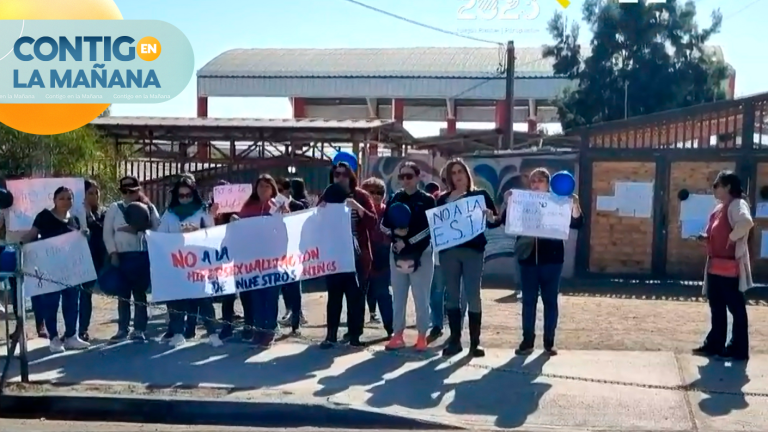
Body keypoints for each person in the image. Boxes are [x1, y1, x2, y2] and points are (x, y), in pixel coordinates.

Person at [502, 168, 583, 356]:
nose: (536, 184)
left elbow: (577, 223)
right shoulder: (523, 202)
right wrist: (508, 202)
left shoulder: (559, 202)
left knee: (550, 301)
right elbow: (506, 220)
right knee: (528, 301)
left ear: (548, 184)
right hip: (527, 258)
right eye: (533, 181)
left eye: (540, 180)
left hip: (552, 259)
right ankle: (527, 341)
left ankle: (549, 342)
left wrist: (575, 206)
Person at [436, 158, 500, 357]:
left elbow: (494, 222)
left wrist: (490, 216)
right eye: (453, 173)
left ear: (466, 174)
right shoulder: (443, 200)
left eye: (460, 172)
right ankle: (454, 340)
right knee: (452, 295)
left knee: (473, 294)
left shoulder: (480, 196)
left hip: (473, 251)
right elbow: (438, 225)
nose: (457, 176)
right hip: (449, 253)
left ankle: (475, 343)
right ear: (449, 177)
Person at [692, 170, 753, 361]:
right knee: (717, 307)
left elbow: (745, 222)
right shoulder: (719, 208)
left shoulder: (737, 204)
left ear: (727, 187)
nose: (714, 189)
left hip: (729, 267)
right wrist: (707, 238)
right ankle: (715, 344)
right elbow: (717, 232)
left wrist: (731, 238)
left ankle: (738, 348)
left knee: (736, 308)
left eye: (716, 185)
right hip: (715, 265)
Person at [21, 186, 90, 353]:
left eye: (69, 198)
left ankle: (71, 336)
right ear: (54, 200)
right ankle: (53, 338)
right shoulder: (44, 216)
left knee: (72, 302)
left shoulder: (75, 219)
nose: (66, 201)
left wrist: (84, 235)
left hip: (71, 269)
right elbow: (31, 235)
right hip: (49, 268)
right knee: (51, 303)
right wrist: (22, 247)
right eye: (62, 198)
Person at [158, 176, 222, 348]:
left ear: (194, 194)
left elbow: (212, 233)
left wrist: (198, 231)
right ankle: (178, 333)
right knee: (177, 299)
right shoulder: (169, 214)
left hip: (198, 264)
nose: (185, 198)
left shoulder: (203, 212)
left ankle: (212, 333)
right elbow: (160, 236)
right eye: (181, 195)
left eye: (188, 195)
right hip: (177, 263)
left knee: (204, 300)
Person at [318, 162, 376, 348]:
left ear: (351, 176)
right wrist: (320, 210)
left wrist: (358, 207)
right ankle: (331, 335)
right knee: (334, 297)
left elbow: (373, 222)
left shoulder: (361, 196)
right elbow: (314, 223)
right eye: (336, 174)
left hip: (357, 256)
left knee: (356, 298)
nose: (340, 177)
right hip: (334, 255)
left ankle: (354, 335)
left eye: (343, 174)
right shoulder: (327, 195)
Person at [381, 162, 435, 351]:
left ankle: (421, 336)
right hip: (397, 255)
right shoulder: (395, 197)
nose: (405, 180)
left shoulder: (428, 200)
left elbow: (430, 229)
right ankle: (397, 335)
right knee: (399, 296)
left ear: (418, 177)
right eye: (402, 176)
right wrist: (396, 234)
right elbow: (383, 224)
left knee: (421, 297)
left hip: (423, 255)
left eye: (409, 176)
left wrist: (409, 241)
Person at [103, 176, 160, 343]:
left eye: (132, 191)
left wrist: (137, 230)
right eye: (125, 191)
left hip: (141, 254)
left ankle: (139, 329)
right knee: (123, 294)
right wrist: (113, 253)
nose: (128, 194)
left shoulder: (148, 208)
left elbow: (157, 228)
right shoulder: (115, 208)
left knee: (140, 294)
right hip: (122, 255)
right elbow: (108, 233)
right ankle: (122, 328)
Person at [238, 174, 289, 347]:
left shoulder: (278, 206)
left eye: (267, 186)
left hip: (272, 260)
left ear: (273, 189)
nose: (263, 189)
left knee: (271, 296)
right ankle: (258, 331)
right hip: (253, 261)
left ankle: (270, 330)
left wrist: (285, 214)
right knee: (256, 297)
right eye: (260, 186)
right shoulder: (248, 207)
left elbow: (285, 228)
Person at [427, 177, 468, 340]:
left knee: (458, 296)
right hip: (440, 258)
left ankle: (456, 330)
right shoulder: (439, 200)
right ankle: (437, 324)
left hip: (462, 257)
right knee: (436, 294)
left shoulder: (468, 202)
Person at [360, 177, 393, 336]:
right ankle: (355, 331)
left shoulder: (388, 211)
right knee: (358, 296)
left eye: (380, 192)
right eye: (371, 192)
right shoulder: (356, 210)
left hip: (381, 259)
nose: (376, 195)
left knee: (383, 293)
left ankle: (390, 329)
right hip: (362, 259)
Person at [277, 178, 308, 333]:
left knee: (294, 286)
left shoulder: (297, 205)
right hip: (277, 252)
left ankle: (296, 320)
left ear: (288, 191)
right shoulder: (271, 206)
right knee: (282, 286)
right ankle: (289, 311)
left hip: (294, 252)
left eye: (281, 190)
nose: (278, 193)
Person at [211, 180, 241, 340]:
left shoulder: (236, 213)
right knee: (226, 293)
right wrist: (212, 216)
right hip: (218, 258)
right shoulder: (210, 212)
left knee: (243, 293)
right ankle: (226, 325)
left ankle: (248, 325)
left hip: (236, 258)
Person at [80, 179, 107, 342]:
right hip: (76, 258)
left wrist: (89, 214)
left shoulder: (104, 212)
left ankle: (83, 329)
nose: (94, 196)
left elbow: (100, 228)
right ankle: (71, 330)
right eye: (90, 193)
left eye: (96, 193)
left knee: (85, 294)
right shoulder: (74, 212)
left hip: (95, 257)